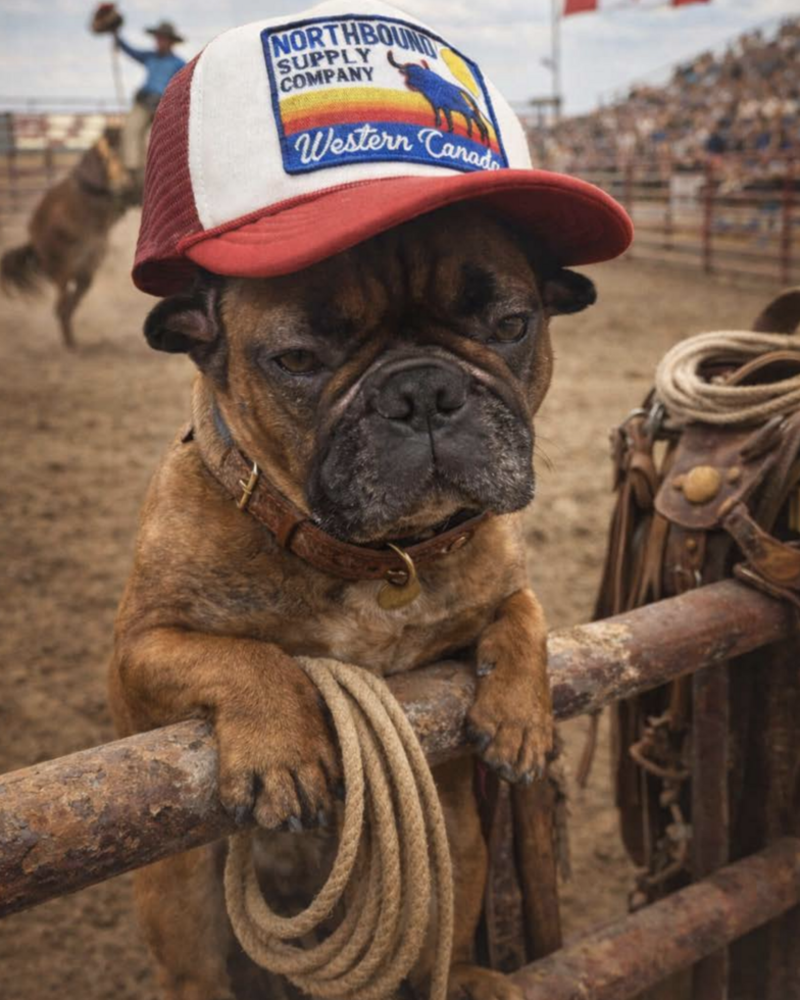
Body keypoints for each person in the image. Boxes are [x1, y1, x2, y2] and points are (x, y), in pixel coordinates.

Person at [113, 19, 186, 193]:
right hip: (144, 102)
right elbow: (128, 50)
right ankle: (134, 175)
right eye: (158, 38)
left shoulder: (178, 63)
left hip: (163, 106)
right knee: (130, 131)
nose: (159, 42)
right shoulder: (149, 57)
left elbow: (184, 82)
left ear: (170, 41)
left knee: (161, 141)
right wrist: (115, 33)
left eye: (163, 38)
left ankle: (162, 178)